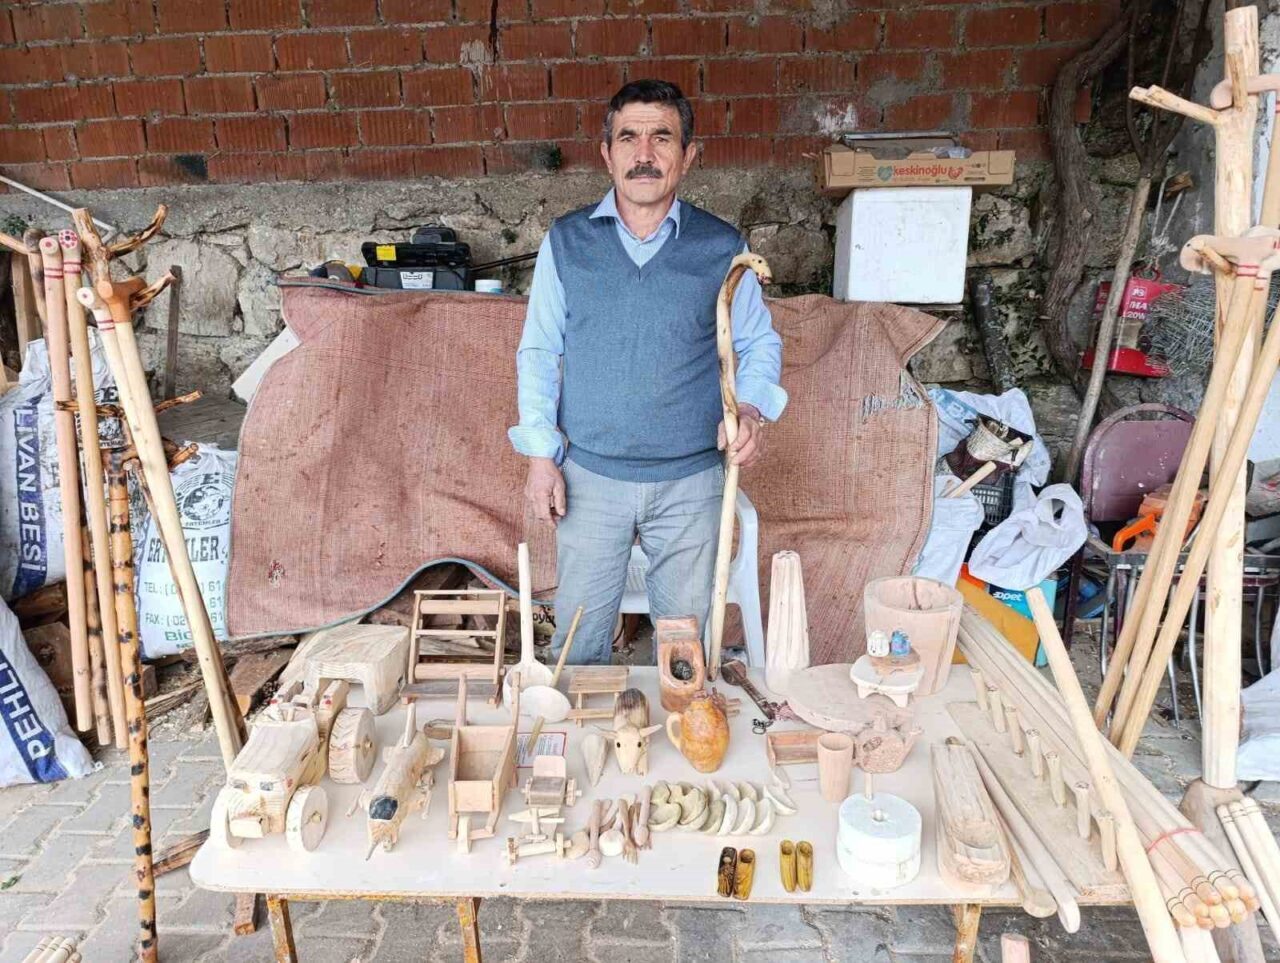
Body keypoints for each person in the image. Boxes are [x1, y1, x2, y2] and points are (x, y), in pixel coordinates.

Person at [507, 79, 787, 665]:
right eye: (628, 137)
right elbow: (539, 351)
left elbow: (759, 342)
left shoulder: (722, 247)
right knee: (578, 643)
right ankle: (578, 723)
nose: (644, 153)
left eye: (662, 137)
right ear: (606, 153)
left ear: (688, 155)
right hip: (589, 476)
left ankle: (684, 722)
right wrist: (540, 456)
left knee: (685, 649)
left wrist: (751, 409)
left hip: (691, 480)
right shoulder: (567, 242)